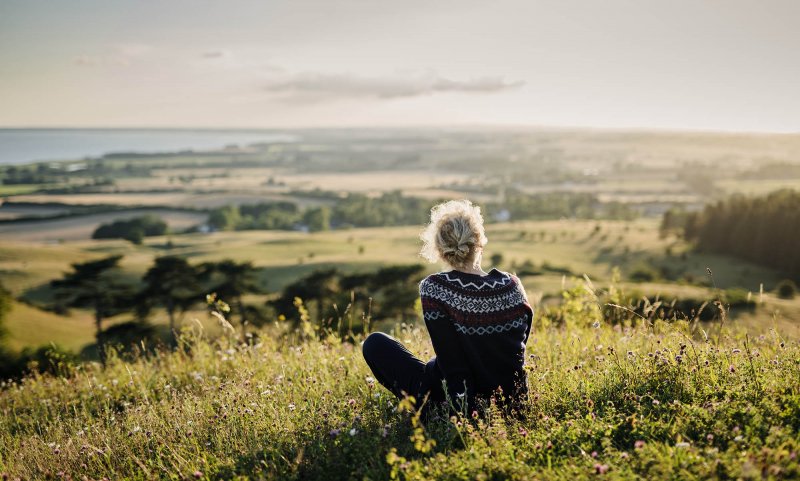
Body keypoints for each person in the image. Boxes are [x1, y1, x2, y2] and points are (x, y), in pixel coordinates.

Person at [362, 199, 533, 415]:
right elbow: (515, 350)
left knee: (375, 343)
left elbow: (454, 366)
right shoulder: (513, 285)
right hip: (513, 401)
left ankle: (430, 410)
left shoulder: (435, 288)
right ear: (479, 242)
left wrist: (462, 415)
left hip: (460, 401)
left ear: (440, 249)